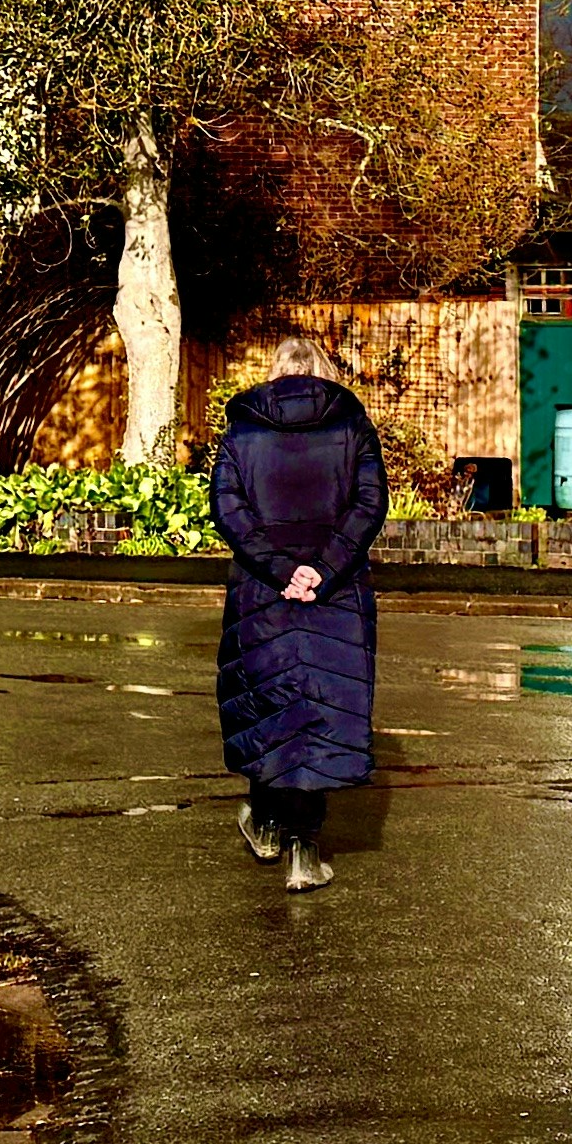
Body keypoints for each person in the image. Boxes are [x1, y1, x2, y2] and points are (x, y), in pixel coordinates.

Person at [206, 342, 389, 893]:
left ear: (276, 373)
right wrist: (324, 568)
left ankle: (264, 823)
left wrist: (282, 569)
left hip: (263, 593)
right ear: (322, 374)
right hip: (336, 594)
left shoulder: (244, 429)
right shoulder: (352, 424)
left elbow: (227, 507)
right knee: (320, 709)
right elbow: (370, 503)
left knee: (270, 706)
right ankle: (304, 852)